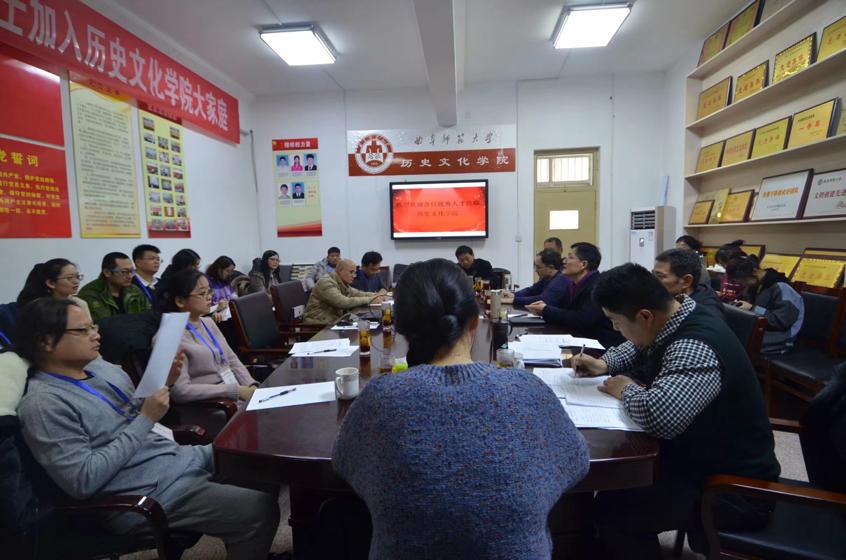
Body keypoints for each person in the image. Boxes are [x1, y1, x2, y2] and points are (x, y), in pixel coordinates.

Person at [333, 258, 589, 559]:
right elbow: (576, 461)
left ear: (401, 329)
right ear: (474, 322)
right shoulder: (527, 389)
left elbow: (344, 461)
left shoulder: (379, 397)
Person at [14, 298, 280, 559]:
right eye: (82, 330)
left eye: (93, 326)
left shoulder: (99, 369)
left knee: (261, 456)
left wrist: (165, 383)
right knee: (256, 510)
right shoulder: (43, 404)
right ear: (45, 341)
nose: (96, 335)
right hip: (146, 491)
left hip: (174, 460)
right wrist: (146, 418)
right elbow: (82, 481)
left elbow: (133, 412)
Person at [571, 263, 779, 559]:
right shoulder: (676, 311)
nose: (616, 329)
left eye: (616, 322)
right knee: (613, 494)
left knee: (617, 514)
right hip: (697, 458)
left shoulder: (695, 345)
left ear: (645, 316)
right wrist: (604, 364)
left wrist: (625, 389)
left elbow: (661, 418)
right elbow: (640, 344)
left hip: (733, 488)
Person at [157, 270, 258, 403]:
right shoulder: (169, 337)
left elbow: (231, 359)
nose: (209, 297)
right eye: (202, 293)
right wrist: (235, 391)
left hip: (237, 395)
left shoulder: (208, 323)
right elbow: (181, 391)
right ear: (180, 301)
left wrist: (251, 385)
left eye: (209, 291)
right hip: (213, 405)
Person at [526, 243, 623, 348]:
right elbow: (563, 310)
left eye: (570, 257)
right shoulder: (573, 284)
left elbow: (583, 319)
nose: (564, 261)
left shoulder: (597, 285)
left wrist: (546, 310)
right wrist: (543, 309)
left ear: (583, 264)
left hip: (603, 346)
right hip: (581, 340)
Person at [726, 255, 804, 354]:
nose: (744, 285)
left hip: (780, 337)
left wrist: (753, 308)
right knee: (725, 336)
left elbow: (782, 322)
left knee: (734, 344)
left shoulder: (782, 287)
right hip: (759, 330)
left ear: (755, 272)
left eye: (743, 281)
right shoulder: (755, 285)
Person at [304, 259, 386, 324]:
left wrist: (377, 295)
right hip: (318, 325)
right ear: (340, 271)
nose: (354, 276)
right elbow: (343, 302)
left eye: (354, 273)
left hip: (333, 321)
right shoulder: (326, 282)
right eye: (351, 272)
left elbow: (358, 293)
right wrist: (371, 299)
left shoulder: (342, 283)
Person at [78, 252, 151, 321]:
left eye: (131, 271)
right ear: (107, 272)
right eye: (124, 272)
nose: (130, 276)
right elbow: (100, 323)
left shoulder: (134, 290)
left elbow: (149, 315)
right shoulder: (90, 294)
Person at [653, 249, 724, 318]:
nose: (652, 280)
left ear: (686, 281)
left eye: (660, 276)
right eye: (653, 274)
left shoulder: (703, 315)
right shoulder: (677, 299)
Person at [16, 258, 90, 317]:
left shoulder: (80, 303)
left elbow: (89, 328)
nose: (76, 281)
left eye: (77, 276)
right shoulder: (38, 308)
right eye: (69, 278)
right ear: (51, 283)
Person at [505, 249, 570, 307]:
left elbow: (542, 299)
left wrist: (513, 300)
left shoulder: (560, 279)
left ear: (551, 267)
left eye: (538, 267)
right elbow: (531, 290)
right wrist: (513, 295)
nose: (536, 270)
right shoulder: (546, 278)